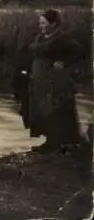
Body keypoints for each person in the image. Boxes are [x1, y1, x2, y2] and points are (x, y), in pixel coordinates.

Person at [25, 10, 84, 153]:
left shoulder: (62, 38)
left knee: (56, 110)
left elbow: (79, 52)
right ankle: (49, 142)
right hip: (41, 82)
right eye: (40, 23)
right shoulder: (40, 37)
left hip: (56, 81)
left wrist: (65, 63)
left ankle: (59, 144)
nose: (41, 26)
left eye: (44, 23)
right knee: (43, 110)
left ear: (54, 24)